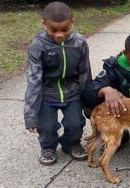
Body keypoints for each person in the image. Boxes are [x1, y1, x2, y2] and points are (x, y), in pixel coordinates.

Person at [24, 2, 92, 166]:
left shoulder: (80, 43)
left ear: (72, 22)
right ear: (44, 25)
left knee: (75, 123)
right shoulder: (38, 45)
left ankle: (71, 143)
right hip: (47, 93)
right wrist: (30, 115)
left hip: (72, 92)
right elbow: (33, 79)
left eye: (65, 29)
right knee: (46, 127)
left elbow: (85, 73)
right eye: (53, 30)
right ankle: (48, 147)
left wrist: (89, 103)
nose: (59, 34)